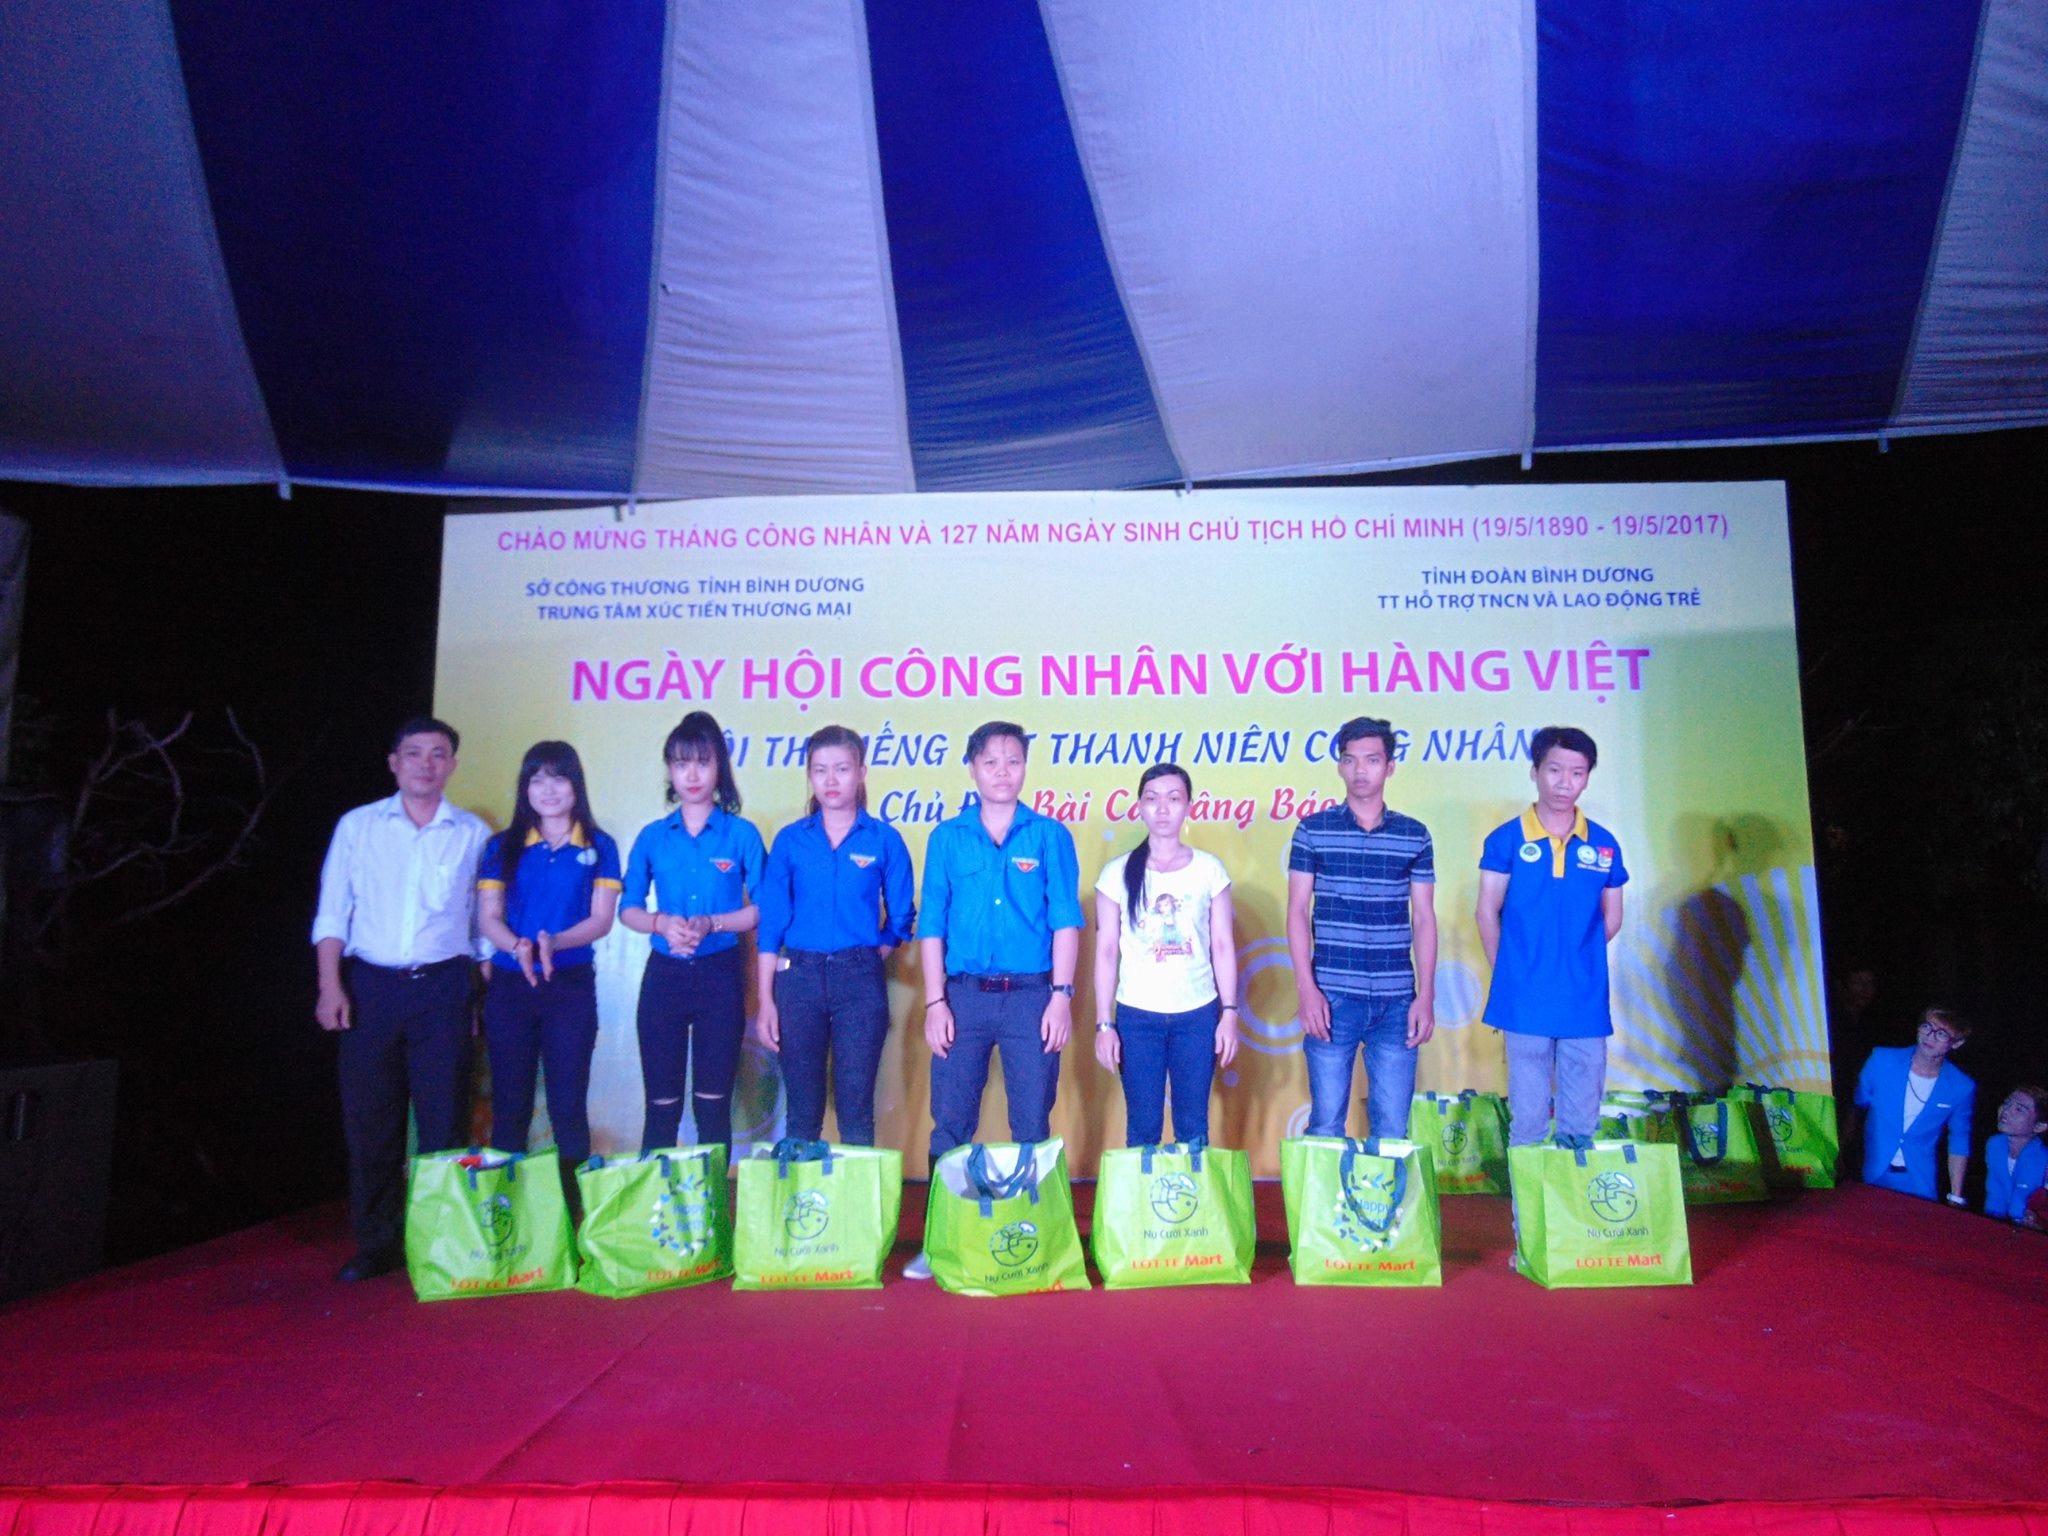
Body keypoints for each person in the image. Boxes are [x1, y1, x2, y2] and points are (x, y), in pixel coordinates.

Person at [311, 717, 491, 1281]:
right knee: (372, 1122)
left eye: (438, 754)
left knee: (444, 1122)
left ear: (452, 765)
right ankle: (377, 1244)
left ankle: (440, 1243)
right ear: (394, 763)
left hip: (444, 987)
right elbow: (332, 912)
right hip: (371, 987)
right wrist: (330, 985)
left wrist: (479, 994)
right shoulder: (358, 826)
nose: (426, 765)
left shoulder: (473, 833)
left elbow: (483, 924)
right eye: (414, 754)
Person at [910, 720, 1083, 1278]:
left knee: (1032, 1119)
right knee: (950, 1121)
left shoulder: (1049, 835)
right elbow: (931, 925)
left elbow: (1065, 921)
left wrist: (1061, 997)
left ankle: (1033, 1242)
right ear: (972, 769)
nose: (1003, 772)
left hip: (1032, 998)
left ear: (1025, 767)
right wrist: (934, 1002)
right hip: (962, 999)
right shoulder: (947, 838)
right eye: (991, 762)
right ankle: (939, 1243)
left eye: (1013, 760)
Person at [753, 725, 915, 1146]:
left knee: (855, 1109)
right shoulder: (791, 841)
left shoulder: (884, 840)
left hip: (859, 981)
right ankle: (800, 1188)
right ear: (809, 775)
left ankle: (858, 1193)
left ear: (861, 772)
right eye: (820, 769)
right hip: (798, 980)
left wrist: (870, 955)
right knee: (802, 1111)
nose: (830, 780)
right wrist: (766, 1000)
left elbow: (901, 916)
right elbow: (771, 926)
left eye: (842, 769)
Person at [619, 712, 765, 1159]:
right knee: (661, 1107)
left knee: (712, 1107)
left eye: (703, 762)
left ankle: (710, 1201)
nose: (693, 775)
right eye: (682, 764)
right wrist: (661, 923)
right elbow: (628, 909)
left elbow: (763, 909)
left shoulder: (741, 834)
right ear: (670, 770)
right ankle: (655, 1200)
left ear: (719, 768)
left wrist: (712, 923)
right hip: (664, 976)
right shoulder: (653, 837)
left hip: (720, 974)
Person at [474, 742, 621, 1181]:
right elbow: (489, 917)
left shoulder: (600, 845)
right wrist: (517, 947)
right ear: (525, 788)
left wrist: (554, 943)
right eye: (537, 780)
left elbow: (601, 920)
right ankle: (506, 1211)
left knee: (568, 1106)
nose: (548, 790)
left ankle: (570, 1212)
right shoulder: (502, 846)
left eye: (558, 778)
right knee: (510, 1106)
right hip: (510, 986)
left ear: (576, 785)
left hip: (570, 985)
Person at [1474, 725, 1627, 1145]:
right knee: (1528, 1121)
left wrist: (1574, 957)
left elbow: (1613, 917)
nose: (1564, 783)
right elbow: (1486, 911)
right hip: (1524, 998)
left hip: (1584, 998)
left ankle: (1573, 1189)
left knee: (1581, 1123)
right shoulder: (1506, 839)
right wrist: (1509, 971)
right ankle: (1528, 1193)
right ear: (1535, 771)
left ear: (1588, 777)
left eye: (1577, 773)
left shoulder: (1603, 844)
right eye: (1554, 770)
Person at [1286, 717, 1436, 1140]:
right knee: (1326, 1124)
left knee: (1392, 1129)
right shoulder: (1313, 830)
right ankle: (1324, 1191)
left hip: (1396, 998)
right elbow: (1297, 911)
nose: (1360, 770)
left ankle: (1385, 1190)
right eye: (1350, 760)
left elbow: (1424, 917)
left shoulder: (1414, 835)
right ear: (1339, 766)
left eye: (1371, 760)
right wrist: (1306, 989)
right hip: (1331, 995)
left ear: (1390, 767)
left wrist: (1426, 995)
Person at [1092, 763, 1239, 1145]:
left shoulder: (1209, 870)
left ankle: (1192, 1187)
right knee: (1143, 1127)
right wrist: (1104, 1025)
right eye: (1152, 799)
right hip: (1137, 1016)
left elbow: (1223, 945)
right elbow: (1106, 952)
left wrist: (1229, 1013)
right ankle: (1143, 1188)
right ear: (1139, 806)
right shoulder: (1116, 873)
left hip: (1198, 1014)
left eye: (1173, 799)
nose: (1162, 809)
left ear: (1189, 805)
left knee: (1193, 1127)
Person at [1850, 1007, 1976, 1204]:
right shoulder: (1882, 1060)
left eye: (1941, 1034)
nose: (1930, 1036)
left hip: (1919, 1181)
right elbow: (1856, 1106)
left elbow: (1959, 1138)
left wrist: (1956, 1194)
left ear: (1957, 1043)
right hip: (1871, 1171)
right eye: (1927, 1027)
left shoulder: (1961, 1086)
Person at [1984, 1084, 2047, 1226]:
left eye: (2019, 1109)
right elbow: (1995, 1193)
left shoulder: (2044, 1160)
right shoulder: (1995, 1145)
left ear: (2039, 1126)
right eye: (2006, 1103)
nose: (2006, 1111)